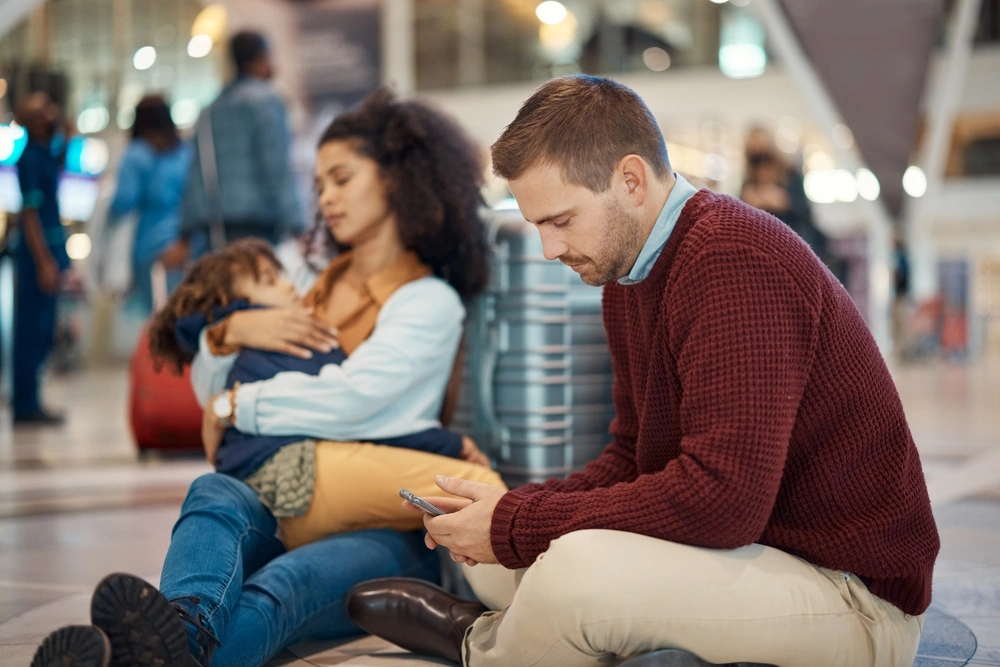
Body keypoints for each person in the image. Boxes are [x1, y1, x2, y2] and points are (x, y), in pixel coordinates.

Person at [345, 75, 940, 667]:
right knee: (505, 565)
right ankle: (524, 632)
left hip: (852, 595)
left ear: (631, 181)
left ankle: (483, 646)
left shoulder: (734, 258)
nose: (550, 250)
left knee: (569, 573)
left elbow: (725, 500)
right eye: (537, 228)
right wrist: (511, 511)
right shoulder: (630, 275)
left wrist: (521, 522)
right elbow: (631, 457)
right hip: (764, 553)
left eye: (561, 221)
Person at [31, 88, 492, 667]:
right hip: (282, 496)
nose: (326, 197)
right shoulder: (303, 278)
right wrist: (229, 334)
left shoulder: (426, 300)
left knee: (281, 588)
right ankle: (183, 632)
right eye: (319, 184)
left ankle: (147, 655)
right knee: (213, 492)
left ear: (398, 178)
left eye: (342, 178)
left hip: (386, 527)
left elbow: (357, 402)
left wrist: (238, 406)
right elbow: (206, 394)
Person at [147, 237, 502, 548]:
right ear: (233, 304)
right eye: (270, 281)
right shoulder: (294, 341)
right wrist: (448, 444)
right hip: (298, 476)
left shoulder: (253, 351)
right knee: (481, 489)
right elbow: (353, 416)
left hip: (271, 488)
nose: (289, 287)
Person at [179, 30, 304, 257]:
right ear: (262, 57)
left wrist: (185, 233)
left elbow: (195, 174)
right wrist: (298, 224)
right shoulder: (267, 102)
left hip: (215, 230)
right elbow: (277, 167)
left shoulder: (210, 110)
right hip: (258, 226)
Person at [11, 92, 72, 425]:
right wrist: (45, 262)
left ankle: (30, 399)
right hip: (37, 256)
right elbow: (30, 215)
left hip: (49, 251)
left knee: (44, 328)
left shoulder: (43, 154)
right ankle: (25, 404)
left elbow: (58, 165)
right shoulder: (29, 159)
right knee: (31, 330)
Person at [108, 95, 193, 313]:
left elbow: (123, 202)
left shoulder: (137, 154)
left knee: (158, 323)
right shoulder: (186, 153)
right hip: (187, 246)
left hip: (151, 250)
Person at [740, 126, 838, 276]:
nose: (762, 166)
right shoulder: (748, 182)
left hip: (794, 240)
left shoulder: (791, 174)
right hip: (763, 245)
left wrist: (783, 201)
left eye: (764, 158)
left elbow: (806, 211)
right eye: (756, 160)